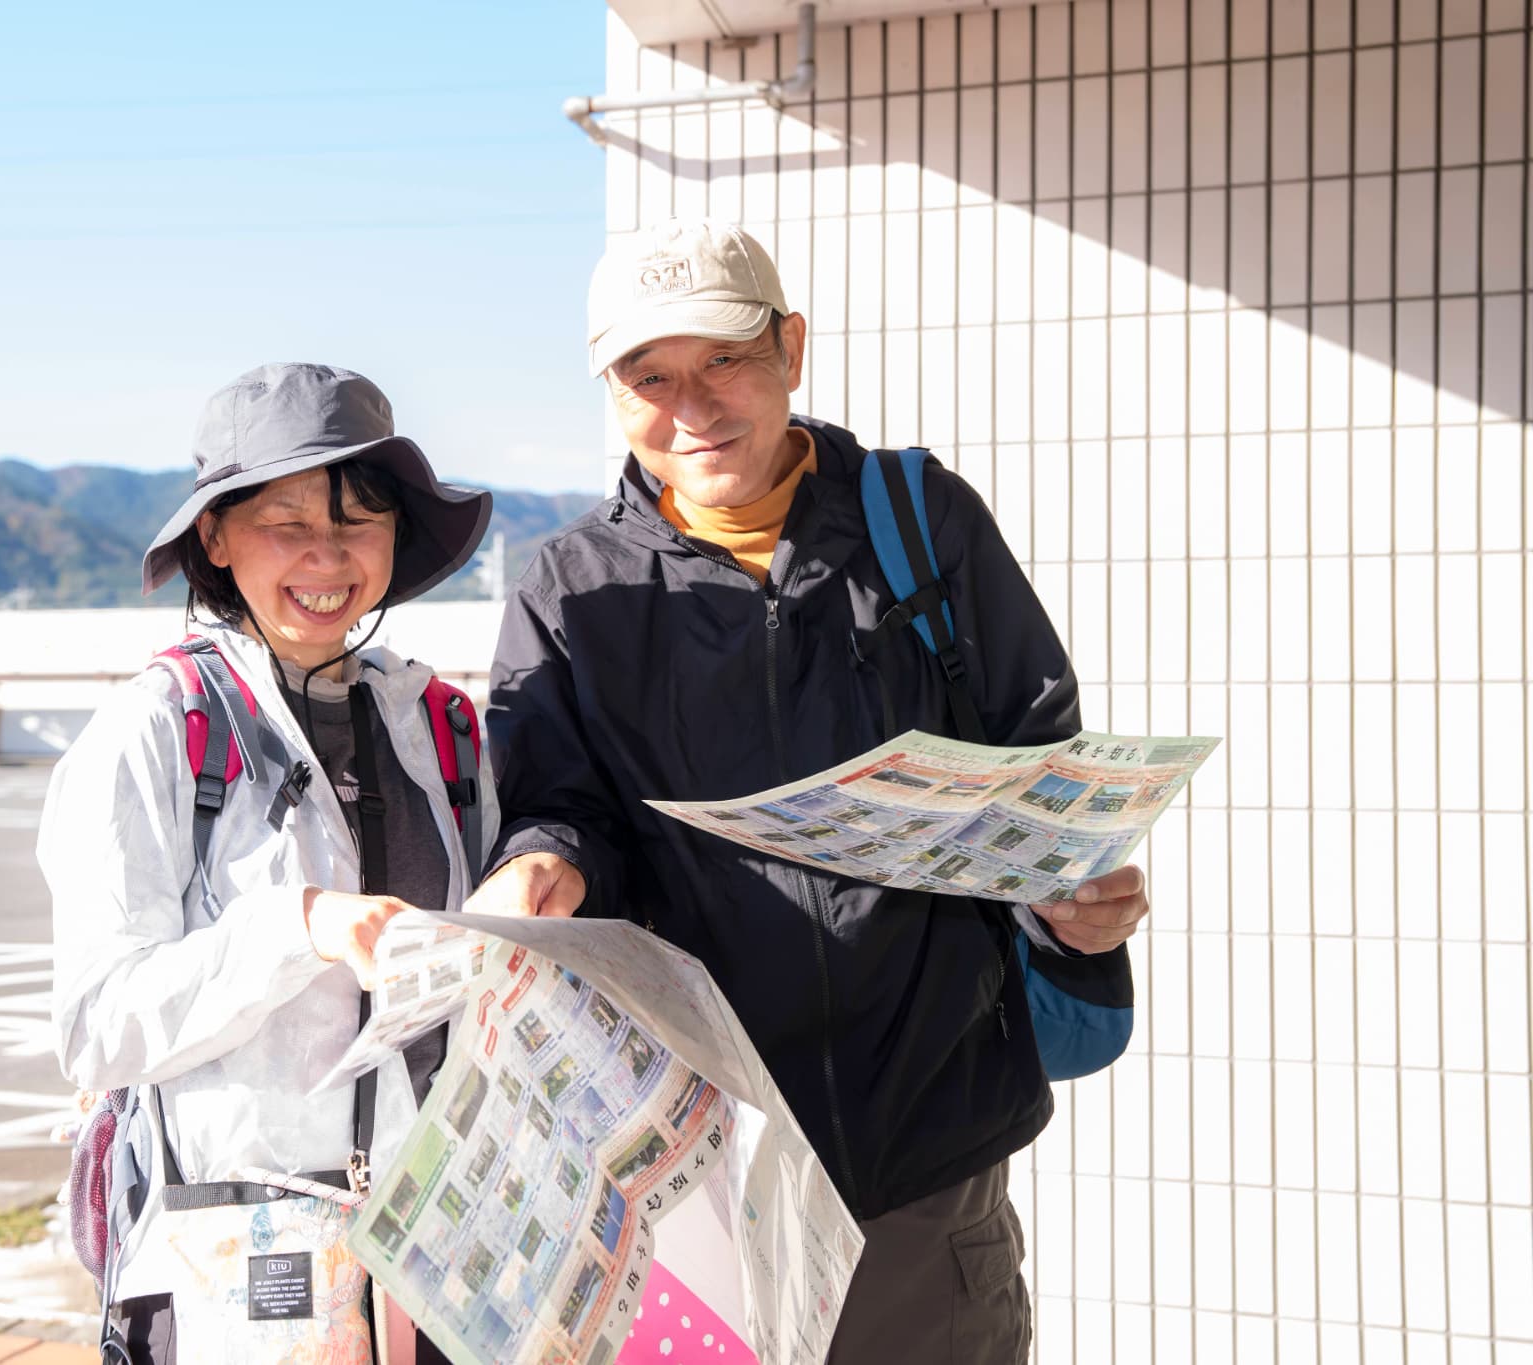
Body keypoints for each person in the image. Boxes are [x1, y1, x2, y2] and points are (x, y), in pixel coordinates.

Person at [468, 219, 1149, 1363]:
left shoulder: (917, 519)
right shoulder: (570, 587)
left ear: (788, 346)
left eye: (722, 360)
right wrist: (544, 860)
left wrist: (1069, 893)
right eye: (649, 377)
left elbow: (1039, 756)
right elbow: (562, 804)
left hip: (923, 1153)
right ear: (610, 392)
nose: (691, 406)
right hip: (697, 1166)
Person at [40, 362, 495, 1365]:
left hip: (435, 1252)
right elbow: (95, 1028)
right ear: (215, 535)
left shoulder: (439, 728)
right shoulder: (156, 729)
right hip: (237, 1263)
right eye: (285, 522)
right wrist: (294, 927)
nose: (327, 556)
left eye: (360, 520)